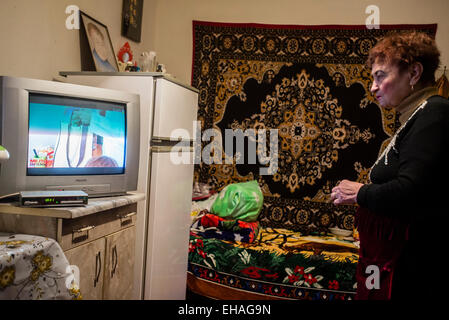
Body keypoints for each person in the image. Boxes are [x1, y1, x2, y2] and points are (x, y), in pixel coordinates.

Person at [331, 31, 448, 300]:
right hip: (387, 264)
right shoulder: (415, 116)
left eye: (380, 76)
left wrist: (359, 193)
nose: (373, 86)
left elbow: (411, 191)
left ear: (414, 73)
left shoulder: (434, 112)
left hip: (407, 272)